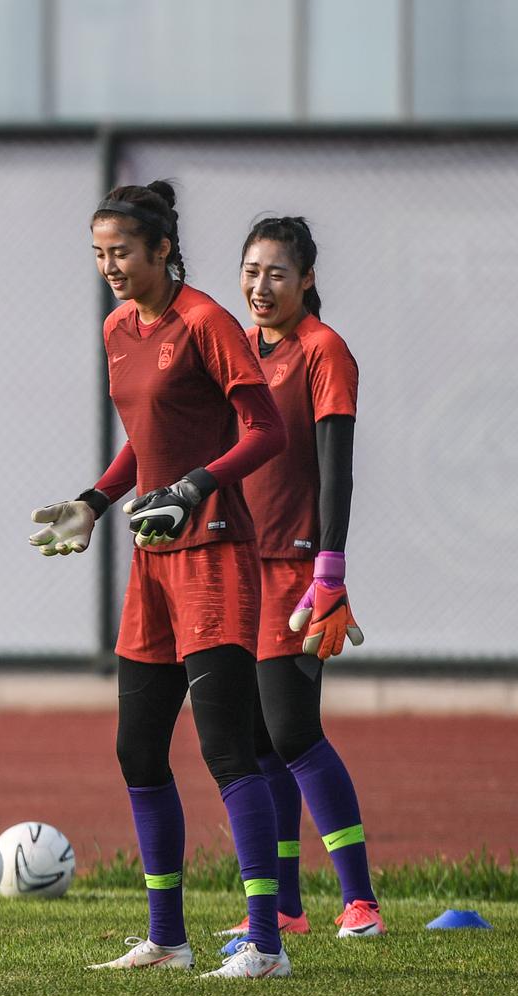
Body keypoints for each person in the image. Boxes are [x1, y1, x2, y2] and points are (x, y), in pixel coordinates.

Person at [28, 182, 291, 978]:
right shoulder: (116, 328)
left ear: (162, 251)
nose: (109, 266)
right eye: (99, 253)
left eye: (122, 252)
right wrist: (94, 501)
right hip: (151, 562)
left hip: (213, 556)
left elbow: (266, 431)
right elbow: (145, 441)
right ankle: (166, 939)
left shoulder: (208, 323)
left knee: (225, 751)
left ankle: (267, 945)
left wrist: (195, 488)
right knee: (137, 751)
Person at [213, 216, 384, 943]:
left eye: (276, 272)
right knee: (257, 743)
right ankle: (285, 908)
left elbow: (337, 468)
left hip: (297, 570)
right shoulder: (239, 351)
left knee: (295, 733)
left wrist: (331, 571)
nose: (260, 285)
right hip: (240, 568)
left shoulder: (325, 351)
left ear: (307, 278)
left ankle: (361, 903)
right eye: (251, 270)